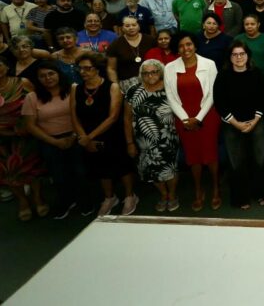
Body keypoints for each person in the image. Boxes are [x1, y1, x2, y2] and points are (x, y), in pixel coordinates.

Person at [71, 52, 138, 217]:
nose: (83, 72)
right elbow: (74, 116)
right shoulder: (75, 88)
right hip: (87, 136)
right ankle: (109, 198)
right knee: (101, 169)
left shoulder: (112, 87)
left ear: (97, 69)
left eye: (87, 68)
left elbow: (113, 117)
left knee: (123, 167)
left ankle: (130, 196)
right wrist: (84, 138)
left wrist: (89, 137)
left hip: (112, 134)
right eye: (80, 68)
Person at [23, 61, 92, 219]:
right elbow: (30, 126)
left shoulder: (73, 89)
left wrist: (74, 136)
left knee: (80, 172)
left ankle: (85, 200)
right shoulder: (31, 97)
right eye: (42, 76)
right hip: (49, 140)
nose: (48, 78)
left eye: (51, 74)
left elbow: (84, 115)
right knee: (59, 175)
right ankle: (66, 201)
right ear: (37, 79)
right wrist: (55, 142)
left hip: (76, 136)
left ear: (59, 74)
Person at [165, 32, 222, 212]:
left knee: (210, 154)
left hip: (207, 116)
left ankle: (216, 189)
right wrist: (185, 119)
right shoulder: (169, 68)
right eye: (181, 46)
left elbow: (213, 93)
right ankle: (198, 190)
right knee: (193, 156)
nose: (185, 49)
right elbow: (170, 97)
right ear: (177, 49)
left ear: (195, 45)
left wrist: (198, 118)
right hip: (183, 119)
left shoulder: (209, 64)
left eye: (188, 44)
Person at [213, 42, 264, 209]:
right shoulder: (223, 76)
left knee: (259, 158)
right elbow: (220, 103)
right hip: (232, 123)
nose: (239, 57)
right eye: (235, 54)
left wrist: (254, 121)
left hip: (256, 121)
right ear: (230, 57)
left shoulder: (257, 74)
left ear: (248, 55)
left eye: (242, 54)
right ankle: (242, 197)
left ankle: (261, 192)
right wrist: (236, 123)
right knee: (236, 161)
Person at [123, 59, 180, 212]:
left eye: (154, 72)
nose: (150, 76)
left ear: (160, 72)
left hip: (168, 139)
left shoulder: (170, 88)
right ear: (141, 75)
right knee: (151, 171)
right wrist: (130, 142)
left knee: (170, 169)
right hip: (144, 142)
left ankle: (172, 194)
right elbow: (127, 118)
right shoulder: (133, 91)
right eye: (145, 73)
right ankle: (163, 194)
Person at [0, 56, 46, 221]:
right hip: (2, 137)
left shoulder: (22, 82)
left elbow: (37, 103)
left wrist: (28, 125)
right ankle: (22, 201)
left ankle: (38, 198)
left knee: (32, 168)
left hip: (25, 133)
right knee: (8, 172)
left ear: (7, 67)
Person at [107, 16, 157, 94]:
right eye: (127, 26)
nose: (131, 28)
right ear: (122, 28)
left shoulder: (150, 40)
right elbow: (111, 68)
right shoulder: (116, 44)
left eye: (134, 25)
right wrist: (116, 86)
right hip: (127, 82)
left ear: (139, 26)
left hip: (150, 78)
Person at [235, 14, 264, 80]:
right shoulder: (238, 39)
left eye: (252, 24)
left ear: (258, 25)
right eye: (246, 24)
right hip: (242, 76)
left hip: (263, 77)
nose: (249, 26)